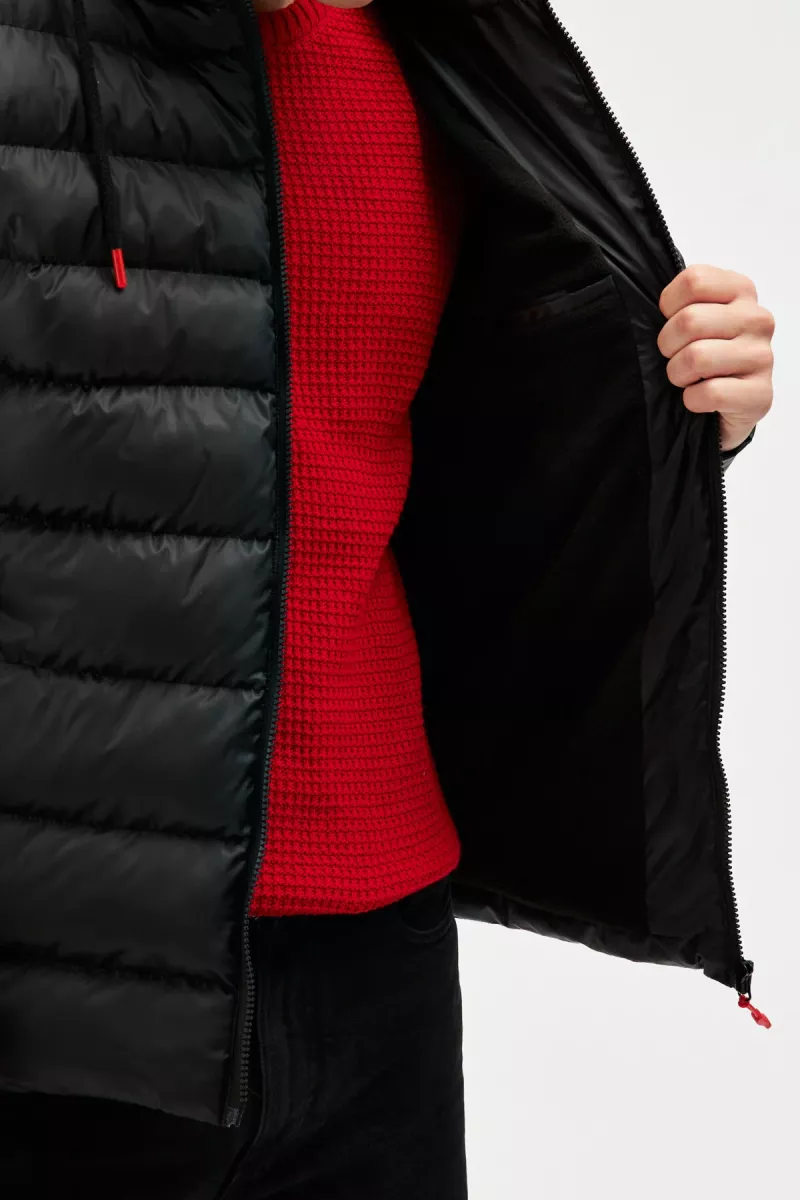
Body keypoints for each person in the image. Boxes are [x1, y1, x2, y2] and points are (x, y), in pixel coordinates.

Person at [0, 0, 776, 1195]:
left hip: (379, 952)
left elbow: (464, 446)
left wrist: (675, 414)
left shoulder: (447, 47)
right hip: (66, 965)